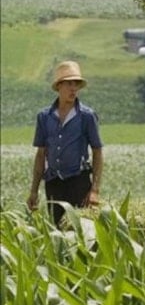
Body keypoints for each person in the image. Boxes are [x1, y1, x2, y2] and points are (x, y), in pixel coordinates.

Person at [27, 60, 104, 226]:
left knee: (81, 230)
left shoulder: (87, 116)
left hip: (79, 182)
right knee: (57, 230)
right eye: (69, 84)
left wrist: (95, 190)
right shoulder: (44, 117)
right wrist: (34, 191)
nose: (73, 88)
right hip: (53, 183)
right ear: (59, 86)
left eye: (76, 84)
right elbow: (41, 155)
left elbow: (97, 151)